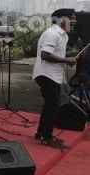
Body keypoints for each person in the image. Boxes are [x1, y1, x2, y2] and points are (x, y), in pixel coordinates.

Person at [33, 8, 77, 149]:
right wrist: (66, 60)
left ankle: (41, 133)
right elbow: (45, 55)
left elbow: (56, 53)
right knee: (53, 105)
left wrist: (73, 53)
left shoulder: (61, 34)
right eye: (72, 18)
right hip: (47, 74)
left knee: (50, 105)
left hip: (51, 74)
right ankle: (46, 137)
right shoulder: (52, 34)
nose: (74, 21)